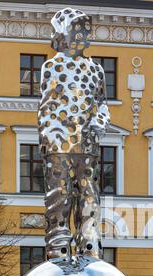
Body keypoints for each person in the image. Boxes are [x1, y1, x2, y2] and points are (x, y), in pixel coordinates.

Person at [38, 7, 110, 261]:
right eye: (75, 30)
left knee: (89, 192)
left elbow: (101, 102)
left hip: (87, 144)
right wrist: (51, 140)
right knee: (60, 194)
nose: (81, 36)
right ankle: (58, 243)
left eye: (84, 31)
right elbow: (46, 108)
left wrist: (101, 120)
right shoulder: (52, 67)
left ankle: (89, 242)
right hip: (59, 143)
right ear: (62, 35)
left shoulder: (95, 70)